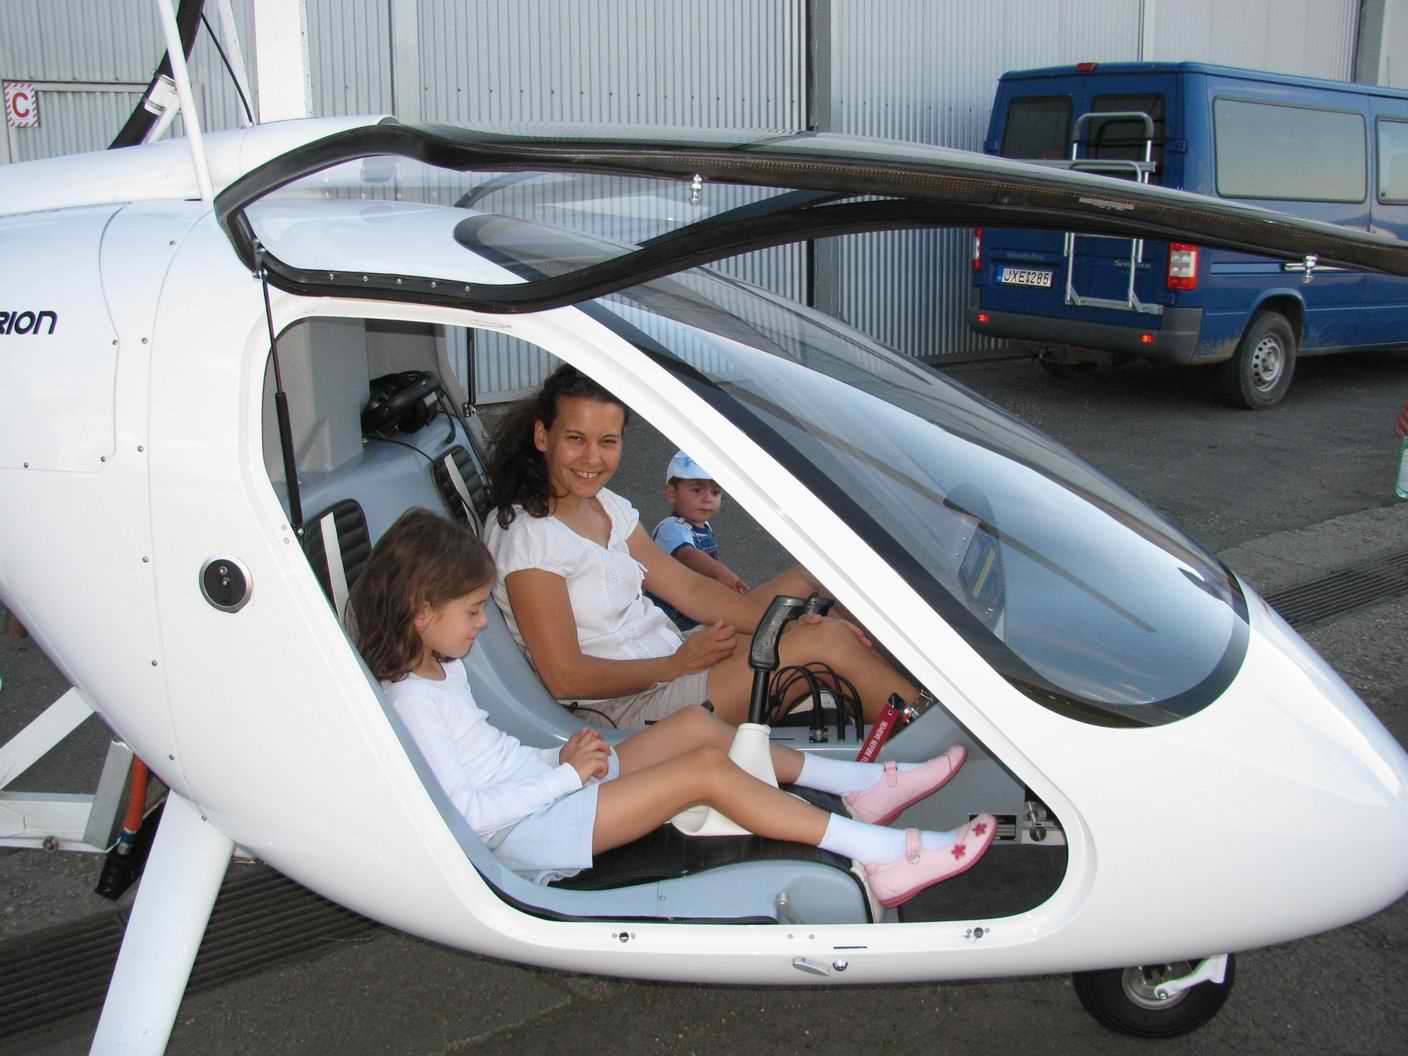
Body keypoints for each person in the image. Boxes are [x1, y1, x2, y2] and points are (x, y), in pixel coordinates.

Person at [347, 507, 995, 904]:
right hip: (529, 834)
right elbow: (469, 816)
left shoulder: (441, 666)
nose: (482, 623)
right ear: (422, 613)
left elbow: (490, 760)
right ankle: (884, 854)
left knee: (694, 727)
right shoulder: (413, 700)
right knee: (704, 774)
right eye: (471, 611)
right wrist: (563, 778)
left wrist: (559, 760)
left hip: (545, 791)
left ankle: (862, 786)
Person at [483, 363, 929, 728]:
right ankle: (924, 728)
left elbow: (691, 589)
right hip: (627, 708)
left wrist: (791, 623)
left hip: (672, 659)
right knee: (825, 642)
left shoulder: (605, 505)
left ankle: (918, 701)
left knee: (817, 583)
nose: (592, 458)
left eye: (608, 442)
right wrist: (675, 666)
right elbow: (566, 678)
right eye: (575, 439)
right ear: (543, 436)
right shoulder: (528, 536)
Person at [646, 450, 748, 631]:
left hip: (694, 606)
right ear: (671, 494)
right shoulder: (671, 528)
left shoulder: (704, 526)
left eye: (715, 491)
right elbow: (688, 555)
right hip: (669, 617)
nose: (708, 498)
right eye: (696, 490)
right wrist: (723, 575)